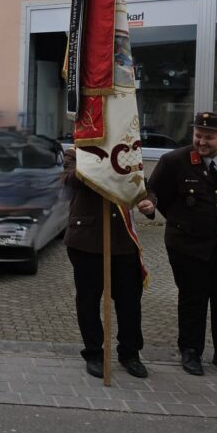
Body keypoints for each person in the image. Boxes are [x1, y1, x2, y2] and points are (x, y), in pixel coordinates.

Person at [148, 112, 217, 377]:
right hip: (189, 246)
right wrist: (151, 206)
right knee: (192, 301)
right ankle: (190, 352)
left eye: (208, 137)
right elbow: (154, 192)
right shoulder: (174, 161)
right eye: (198, 135)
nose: (201, 142)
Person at [63, 148, 157, 378]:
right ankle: (94, 353)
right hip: (86, 240)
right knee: (88, 301)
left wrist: (148, 202)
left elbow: (141, 186)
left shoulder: (126, 149)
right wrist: (97, 161)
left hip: (122, 242)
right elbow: (70, 180)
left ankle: (130, 354)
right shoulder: (77, 152)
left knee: (129, 302)